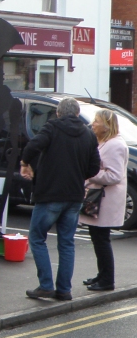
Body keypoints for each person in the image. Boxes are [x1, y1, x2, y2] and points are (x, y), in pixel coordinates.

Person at [20, 97, 100, 301]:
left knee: (37, 238)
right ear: (76, 113)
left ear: (58, 113)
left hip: (50, 194)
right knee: (66, 243)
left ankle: (46, 285)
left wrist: (25, 163)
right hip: (74, 196)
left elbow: (32, 146)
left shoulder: (52, 127)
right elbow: (93, 168)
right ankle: (64, 289)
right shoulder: (89, 134)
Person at [79, 110, 127, 291]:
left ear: (107, 125)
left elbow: (114, 175)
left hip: (105, 200)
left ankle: (107, 280)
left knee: (101, 239)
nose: (93, 124)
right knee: (97, 238)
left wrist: (90, 174)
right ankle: (102, 275)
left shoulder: (115, 145)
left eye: (96, 121)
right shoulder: (106, 142)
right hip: (99, 198)